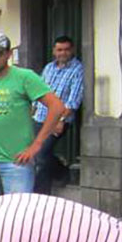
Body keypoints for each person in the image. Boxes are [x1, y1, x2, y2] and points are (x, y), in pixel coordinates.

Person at [0, 33, 64, 200]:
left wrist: (37, 144)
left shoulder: (24, 77)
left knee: (16, 215)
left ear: (8, 54)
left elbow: (57, 107)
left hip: (16, 162)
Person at [33, 37, 85, 195]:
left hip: (58, 120)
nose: (63, 53)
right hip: (39, 117)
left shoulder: (78, 70)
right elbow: (38, 90)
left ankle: (41, 194)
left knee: (41, 154)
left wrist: (61, 120)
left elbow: (73, 100)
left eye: (66, 49)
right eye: (59, 50)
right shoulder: (49, 68)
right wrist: (32, 108)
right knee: (38, 154)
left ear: (72, 50)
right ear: (54, 51)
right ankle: (62, 172)